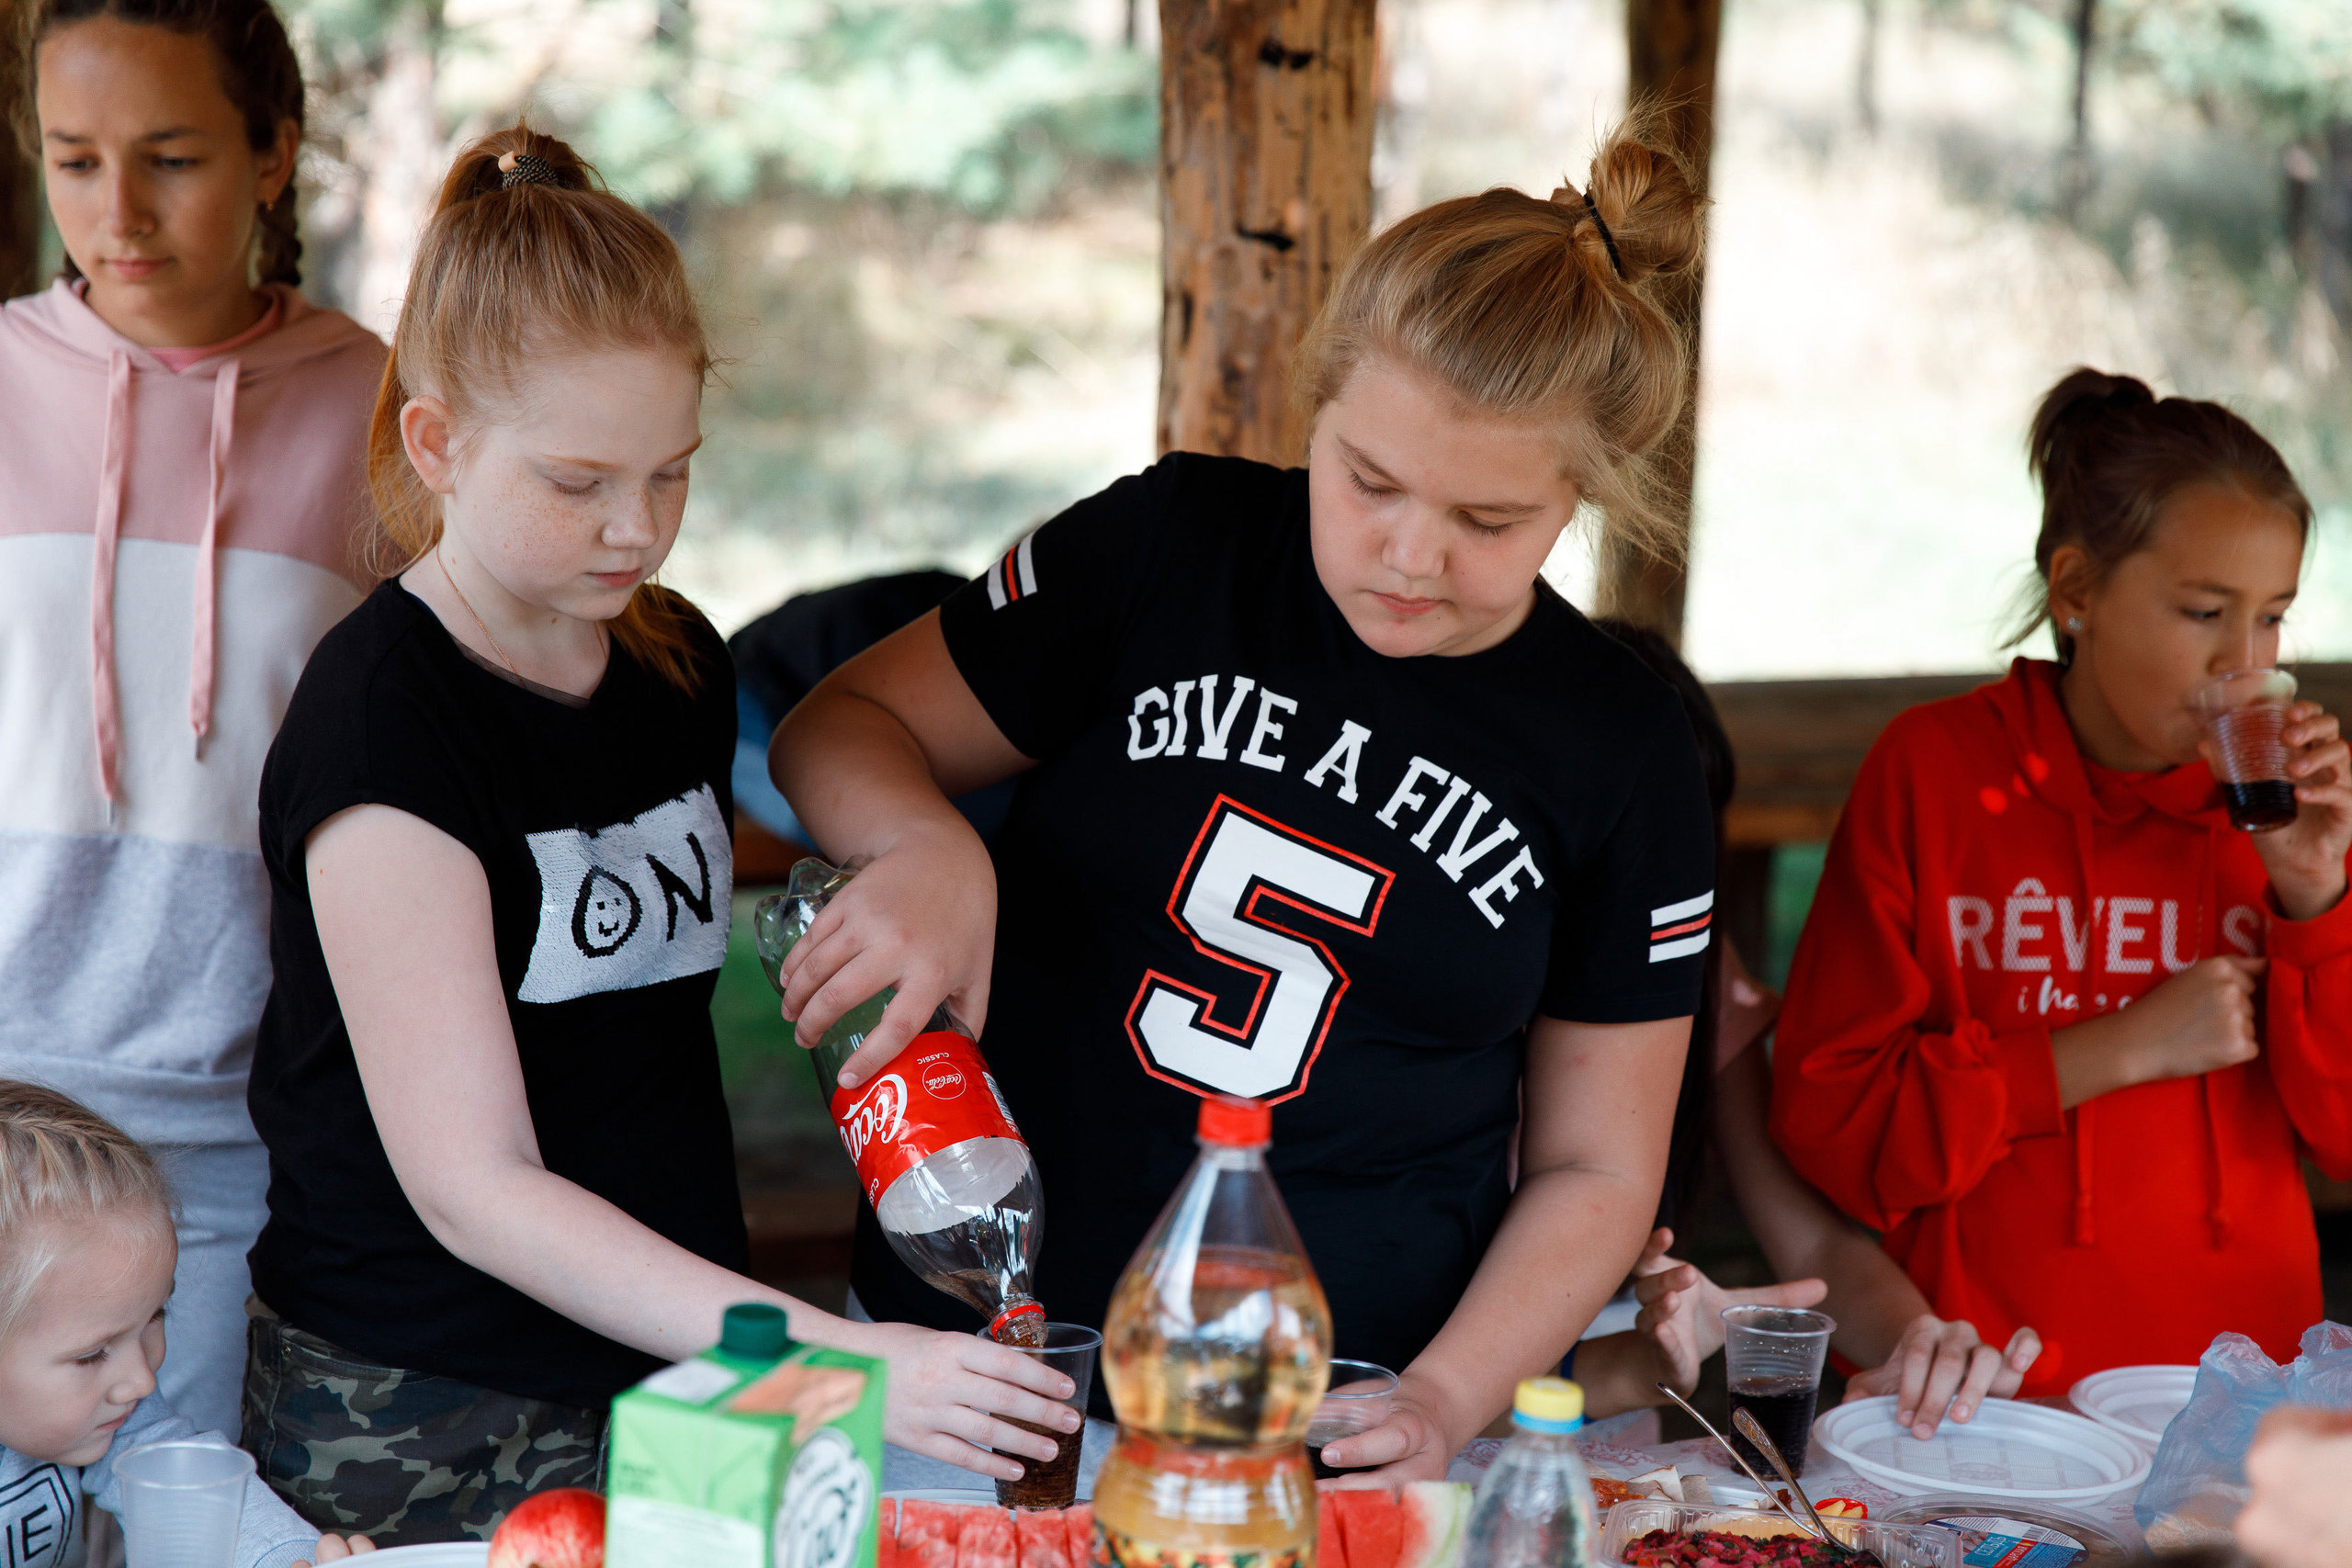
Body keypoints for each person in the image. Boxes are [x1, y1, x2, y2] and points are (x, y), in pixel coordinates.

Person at [772, 119, 1717, 1483]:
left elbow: (1597, 1171)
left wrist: (1447, 1398)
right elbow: (837, 722)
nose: (1410, 553)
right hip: (976, 1366)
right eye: (1369, 479)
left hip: (1341, 1416)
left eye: (1487, 522)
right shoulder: (1167, 548)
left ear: (1585, 494)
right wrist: (923, 839)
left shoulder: (1619, 744)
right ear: (1316, 405)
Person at [240, 129, 1075, 1541]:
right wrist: (837, 1351)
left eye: (671, 473)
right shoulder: (386, 720)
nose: (637, 530)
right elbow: (476, 1187)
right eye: (578, 483)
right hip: (420, 1393)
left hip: (677, 1353)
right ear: (435, 443)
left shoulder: (672, 658)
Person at [1769, 369, 2352, 1395]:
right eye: (2203, 611)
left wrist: (2314, 902)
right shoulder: (1934, 776)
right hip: (1974, 1403)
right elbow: (1837, 1135)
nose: (2244, 664)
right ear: (2075, 591)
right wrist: (2108, 1052)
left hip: (2233, 1411)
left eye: (2271, 620)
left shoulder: (2287, 818)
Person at [0, 0, 385, 1442]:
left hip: (246, 1114)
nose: (122, 211)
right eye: (76, 159)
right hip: (4, 1095)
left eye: (171, 155)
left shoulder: (384, 411)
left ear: (275, 153)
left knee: (174, 1522)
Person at [1566, 621, 2041, 1440]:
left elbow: (1815, 1240)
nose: (1634, 864)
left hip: (1593, 1421)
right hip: (1405, 1388)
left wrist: (1918, 1346)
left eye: (1670, 836)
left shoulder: (1695, 973)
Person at [0, 1080, 369, 1568]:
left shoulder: (113, 1412)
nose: (143, 1381)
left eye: (156, 1316)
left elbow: (184, 1477)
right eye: (92, 1354)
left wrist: (293, 1560)